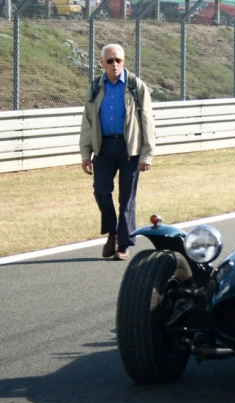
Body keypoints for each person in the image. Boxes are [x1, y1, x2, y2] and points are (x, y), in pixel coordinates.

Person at [80, 43, 155, 260]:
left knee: (126, 198)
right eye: (110, 61)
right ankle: (112, 232)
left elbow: (147, 121)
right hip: (103, 147)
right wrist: (86, 153)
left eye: (119, 60)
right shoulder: (95, 87)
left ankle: (124, 243)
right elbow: (87, 121)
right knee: (101, 191)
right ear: (102, 62)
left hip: (129, 148)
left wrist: (146, 154)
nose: (115, 65)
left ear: (124, 61)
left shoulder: (135, 86)